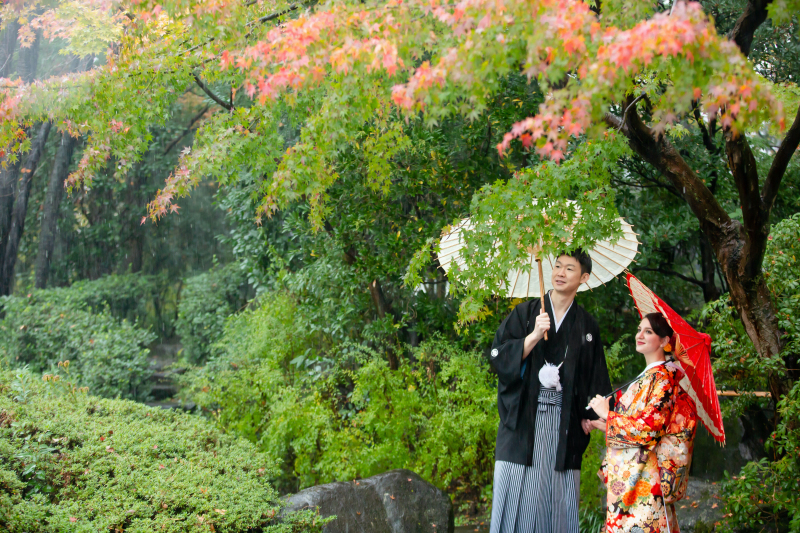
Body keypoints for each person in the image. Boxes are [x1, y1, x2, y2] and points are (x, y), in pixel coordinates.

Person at [488, 250, 612, 533]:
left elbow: (595, 379)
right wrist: (533, 336)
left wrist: (591, 416)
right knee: (515, 494)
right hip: (523, 422)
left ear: (584, 278)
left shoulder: (587, 326)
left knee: (555, 500)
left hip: (564, 425)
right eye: (557, 266)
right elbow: (497, 357)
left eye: (569, 268)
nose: (560, 273)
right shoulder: (525, 313)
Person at [588, 312, 697, 533]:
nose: (640, 335)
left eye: (648, 331)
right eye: (639, 330)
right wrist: (606, 424)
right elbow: (635, 423)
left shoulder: (663, 378)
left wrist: (608, 415)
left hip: (647, 478)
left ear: (664, 341)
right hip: (634, 477)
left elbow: (648, 429)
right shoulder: (651, 376)